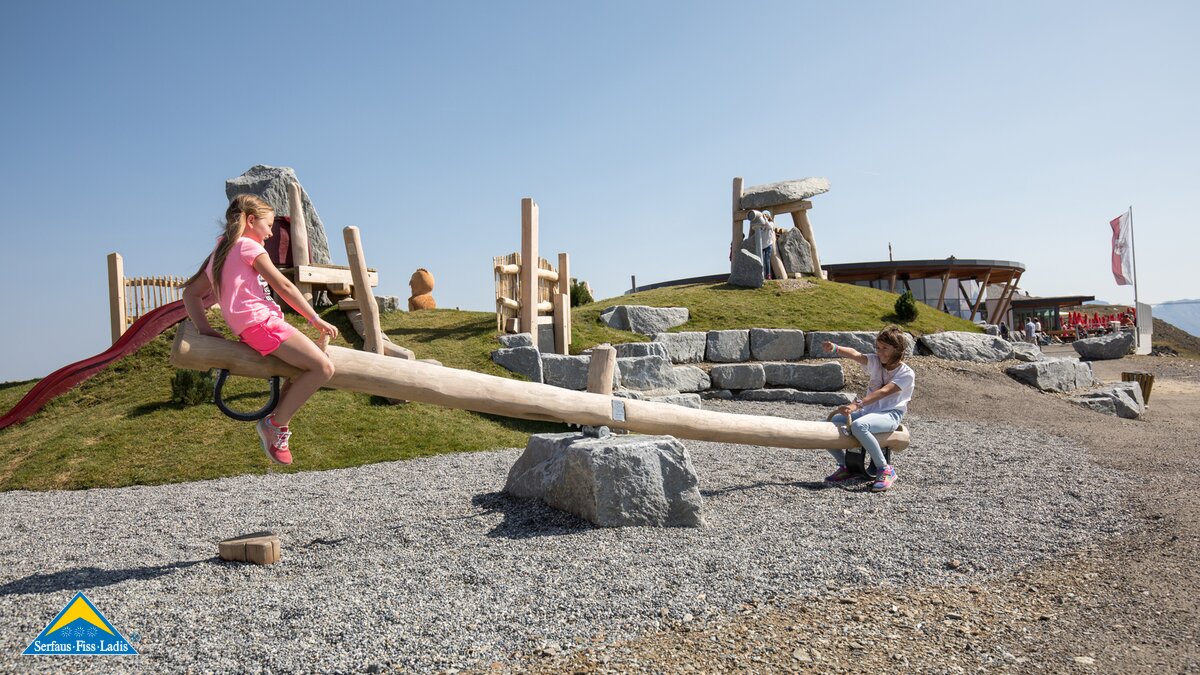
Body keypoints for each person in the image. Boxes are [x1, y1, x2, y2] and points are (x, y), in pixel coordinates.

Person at [182, 193, 339, 465]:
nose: (270, 233)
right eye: (268, 226)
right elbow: (284, 286)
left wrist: (205, 329)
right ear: (251, 220)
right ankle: (276, 426)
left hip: (252, 327)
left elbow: (190, 295)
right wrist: (315, 318)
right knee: (323, 368)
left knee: (300, 369)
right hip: (262, 324)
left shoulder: (220, 250)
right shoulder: (247, 247)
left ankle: (277, 421)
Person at [822, 326, 915, 492]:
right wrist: (836, 348)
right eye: (878, 348)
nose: (880, 352)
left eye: (885, 348)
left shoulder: (906, 374)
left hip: (890, 414)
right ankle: (846, 467)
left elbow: (884, 392)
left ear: (898, 349)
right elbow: (855, 354)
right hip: (868, 412)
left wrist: (856, 404)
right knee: (829, 424)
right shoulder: (875, 362)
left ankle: (885, 469)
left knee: (859, 426)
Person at [748, 210, 776, 280]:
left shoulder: (771, 223)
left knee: (767, 260)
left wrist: (766, 220)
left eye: (766, 215)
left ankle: (768, 274)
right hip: (762, 245)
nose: (764, 217)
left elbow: (769, 226)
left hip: (768, 244)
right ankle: (762, 275)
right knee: (762, 261)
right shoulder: (761, 224)